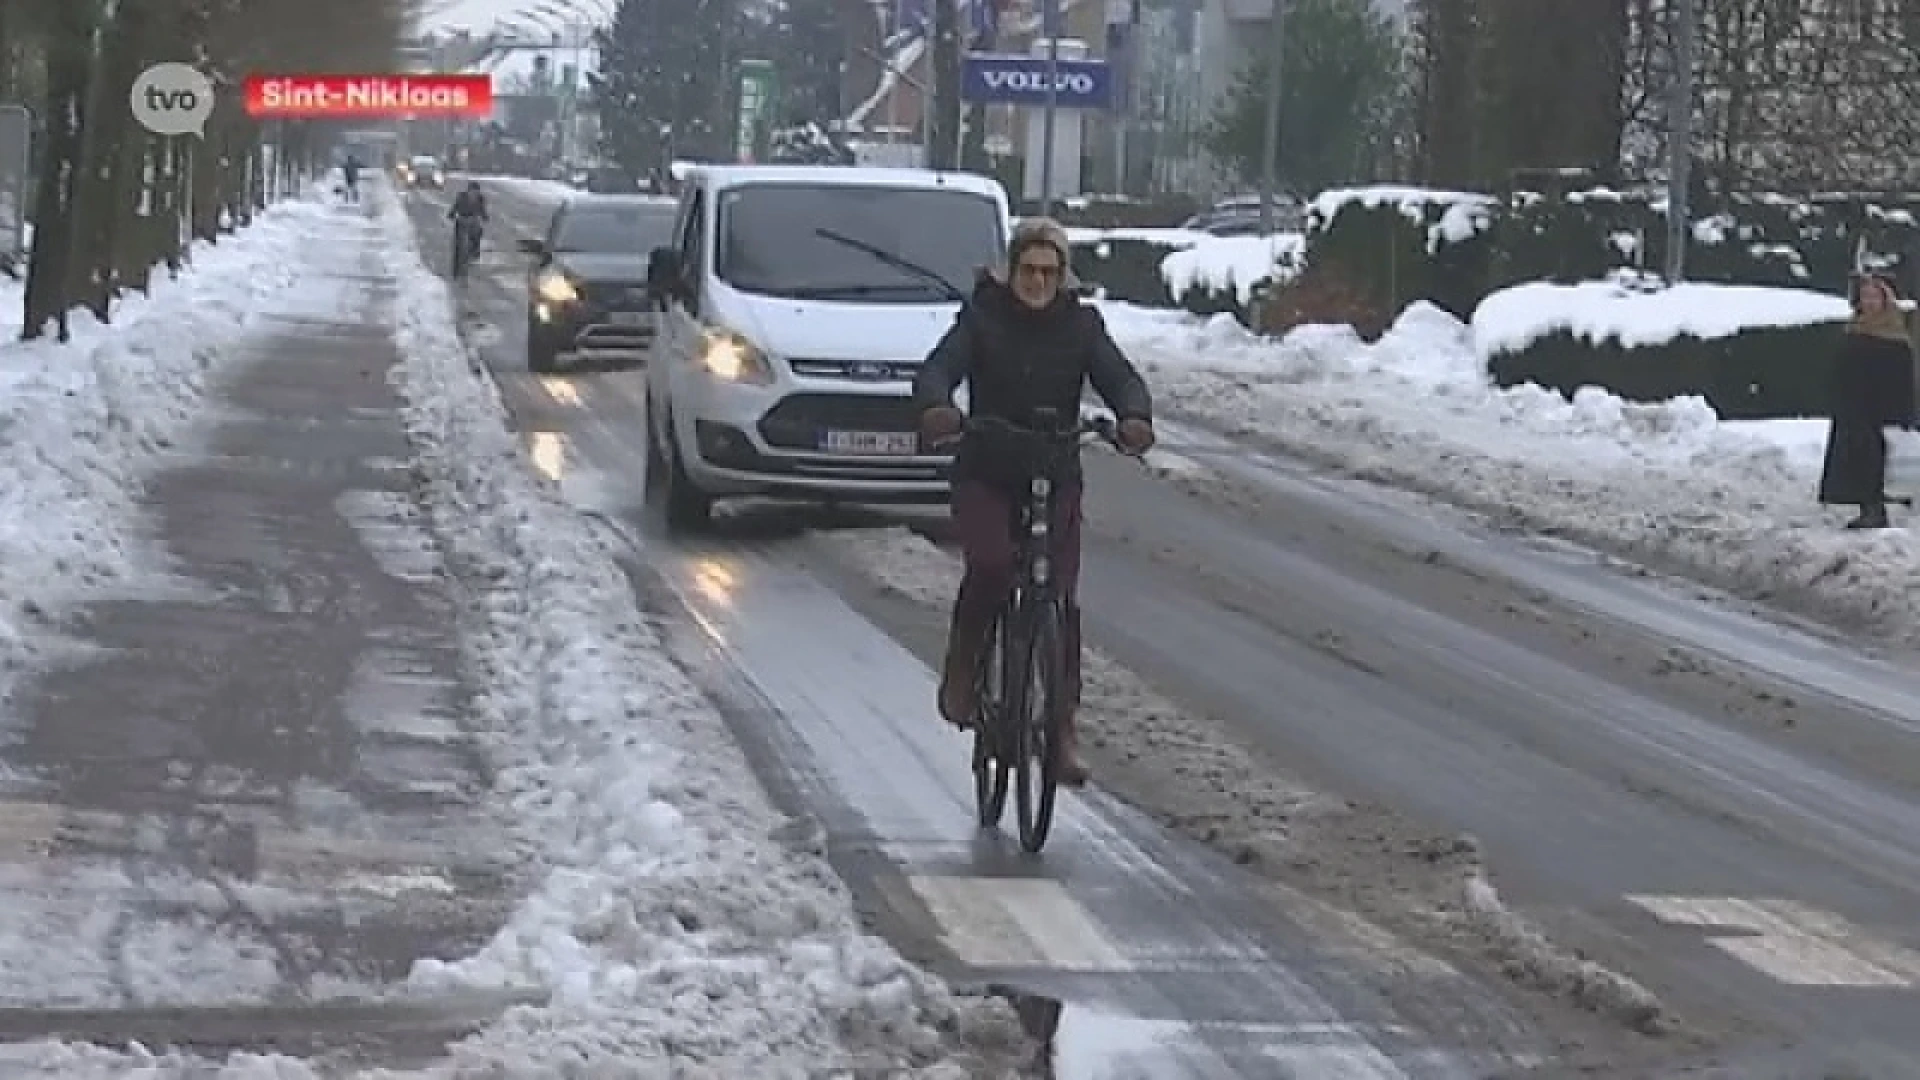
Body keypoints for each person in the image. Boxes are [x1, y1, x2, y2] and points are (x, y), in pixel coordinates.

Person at [913, 217, 1155, 786]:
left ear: (1062, 275)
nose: (1039, 282)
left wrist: (1134, 416)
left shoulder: (1082, 326)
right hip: (988, 470)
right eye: (1029, 270)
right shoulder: (981, 319)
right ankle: (963, 674)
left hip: (1054, 472)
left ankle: (1061, 731)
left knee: (1060, 599)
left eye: (1050, 272)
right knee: (993, 564)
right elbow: (938, 370)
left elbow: (1119, 376)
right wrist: (937, 409)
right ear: (1011, 269)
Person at [1818, 272, 1916, 529]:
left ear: (1886, 299)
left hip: (1881, 408)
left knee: (1876, 459)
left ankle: (1876, 509)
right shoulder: (1854, 328)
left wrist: (1903, 412)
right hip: (1853, 408)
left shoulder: (1894, 331)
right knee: (1856, 459)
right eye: (1865, 297)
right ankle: (1867, 506)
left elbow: (1904, 376)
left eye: (1875, 296)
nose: (1870, 302)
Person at [447, 181, 489, 272]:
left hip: (473, 220)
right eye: (472, 191)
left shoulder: (480, 199)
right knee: (459, 240)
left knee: (478, 232)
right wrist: (451, 214)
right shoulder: (461, 197)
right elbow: (455, 207)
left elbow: (482, 210)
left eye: (476, 192)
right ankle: (457, 262)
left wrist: (485, 217)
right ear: (468, 191)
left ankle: (475, 251)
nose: (474, 194)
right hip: (462, 219)